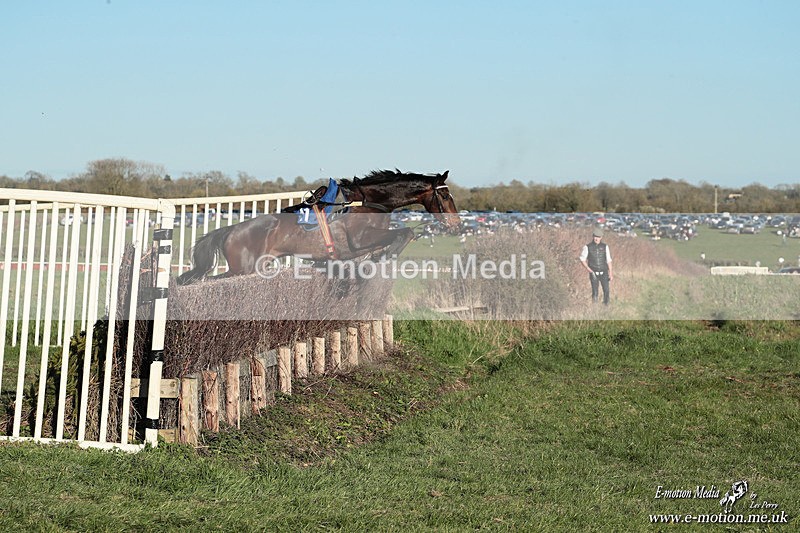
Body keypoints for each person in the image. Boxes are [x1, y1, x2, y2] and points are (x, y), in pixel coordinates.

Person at [579, 227, 613, 305]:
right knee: (595, 291)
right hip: (593, 272)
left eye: (598, 237)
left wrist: (610, 273)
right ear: (593, 236)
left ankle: (606, 306)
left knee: (606, 290)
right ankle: (595, 308)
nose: (596, 239)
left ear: (601, 237)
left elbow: (609, 260)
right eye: (595, 236)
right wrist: (588, 269)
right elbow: (582, 259)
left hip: (604, 271)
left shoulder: (605, 247)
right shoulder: (587, 247)